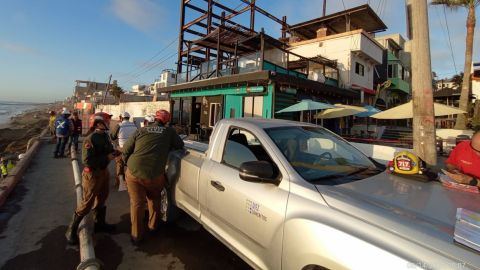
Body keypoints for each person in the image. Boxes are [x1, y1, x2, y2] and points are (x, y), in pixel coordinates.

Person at [122, 110, 184, 245]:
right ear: (166, 121)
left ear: (154, 119)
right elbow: (180, 145)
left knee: (137, 204)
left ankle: (136, 236)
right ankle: (153, 227)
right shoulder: (169, 132)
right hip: (155, 175)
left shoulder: (142, 130)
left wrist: (127, 166)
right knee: (154, 200)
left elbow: (126, 150)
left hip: (134, 172)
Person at [65, 117, 119, 245]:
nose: (108, 123)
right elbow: (87, 160)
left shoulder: (104, 136)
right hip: (93, 174)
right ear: (98, 124)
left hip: (103, 172)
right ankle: (71, 230)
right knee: (87, 202)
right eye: (106, 121)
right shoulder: (90, 139)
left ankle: (99, 224)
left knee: (102, 197)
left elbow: (108, 150)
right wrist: (106, 157)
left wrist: (115, 152)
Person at [110, 111, 137, 187]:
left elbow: (113, 137)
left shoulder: (119, 125)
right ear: (128, 118)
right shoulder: (134, 125)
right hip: (133, 149)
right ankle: (132, 182)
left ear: (121, 118)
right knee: (131, 166)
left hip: (122, 148)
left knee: (119, 164)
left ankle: (120, 183)